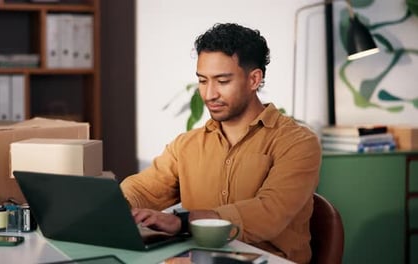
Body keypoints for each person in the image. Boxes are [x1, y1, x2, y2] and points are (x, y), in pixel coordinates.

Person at [120, 23, 321, 264]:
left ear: (254, 79)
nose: (209, 94)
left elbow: (270, 212)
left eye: (222, 81)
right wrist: (112, 205)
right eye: (203, 81)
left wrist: (185, 221)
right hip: (199, 258)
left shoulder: (298, 143)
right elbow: (142, 190)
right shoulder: (186, 145)